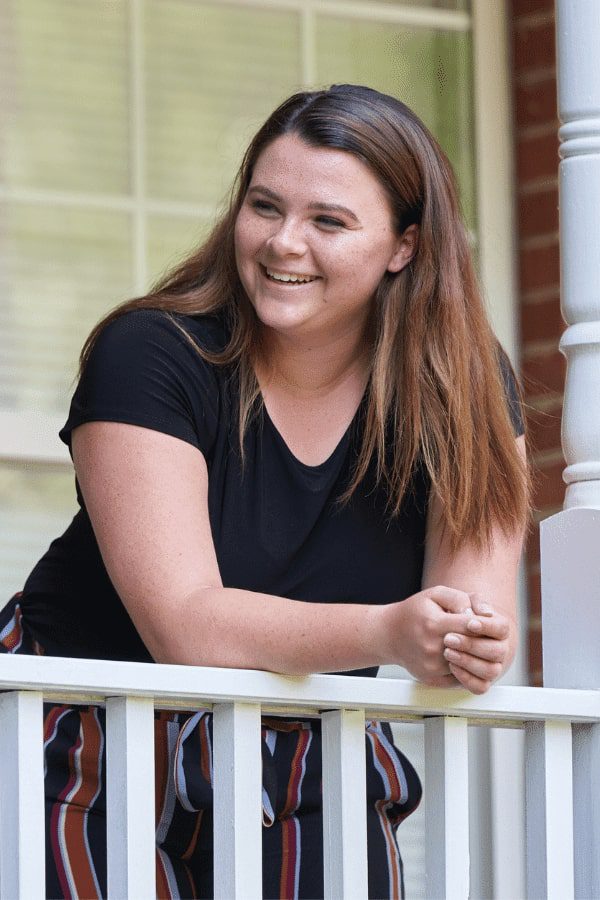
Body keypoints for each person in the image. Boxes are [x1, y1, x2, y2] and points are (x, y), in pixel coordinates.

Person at [0, 84, 529, 899]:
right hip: (80, 729)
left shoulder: (465, 387)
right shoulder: (151, 352)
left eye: (329, 221)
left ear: (404, 246)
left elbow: (465, 626)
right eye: (264, 206)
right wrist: (391, 631)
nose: (284, 243)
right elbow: (186, 627)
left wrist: (462, 641)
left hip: (307, 745)